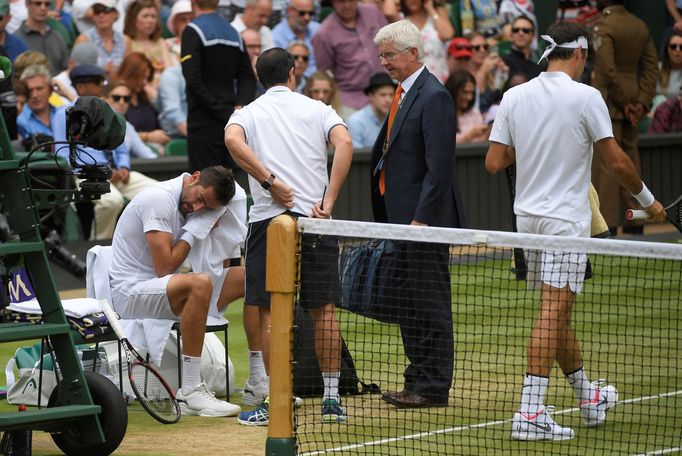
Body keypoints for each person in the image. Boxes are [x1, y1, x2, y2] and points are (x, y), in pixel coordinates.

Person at [485, 21, 665, 441]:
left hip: (527, 220)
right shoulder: (587, 98)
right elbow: (617, 162)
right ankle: (530, 413)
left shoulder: (514, 96)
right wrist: (649, 202)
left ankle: (588, 397)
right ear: (581, 54)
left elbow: (494, 162)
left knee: (558, 312)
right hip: (564, 221)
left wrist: (533, 145)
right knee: (553, 310)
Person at [225, 47, 353, 425]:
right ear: (294, 72)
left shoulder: (245, 114)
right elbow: (344, 143)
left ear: (258, 76)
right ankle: (331, 400)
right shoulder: (319, 109)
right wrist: (328, 200)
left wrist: (269, 182)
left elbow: (233, 142)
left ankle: (276, 400)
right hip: (314, 218)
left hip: (269, 222)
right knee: (323, 310)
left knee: (269, 312)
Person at [371, 20, 463, 409]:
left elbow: (439, 167)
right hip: (401, 222)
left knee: (429, 304)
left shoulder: (434, 96)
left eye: (389, 55)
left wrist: (422, 221)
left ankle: (433, 386)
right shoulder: (404, 92)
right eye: (381, 56)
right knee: (408, 303)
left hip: (423, 225)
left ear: (413, 53)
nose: (384, 62)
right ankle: (416, 380)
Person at [109, 165, 245, 417]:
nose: (198, 209)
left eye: (206, 208)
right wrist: (194, 231)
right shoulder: (158, 199)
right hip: (128, 294)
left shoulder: (187, 201)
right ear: (193, 178)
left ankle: (254, 381)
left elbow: (238, 196)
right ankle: (191, 390)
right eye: (200, 199)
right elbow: (165, 267)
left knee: (227, 281)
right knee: (200, 283)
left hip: (154, 288)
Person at [53, 63, 158, 240]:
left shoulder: (106, 110)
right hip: (86, 175)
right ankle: (98, 247)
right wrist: (99, 172)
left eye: (102, 80)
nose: (102, 85)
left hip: (116, 172)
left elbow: (121, 148)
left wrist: (124, 167)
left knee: (158, 192)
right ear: (80, 87)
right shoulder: (65, 113)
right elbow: (63, 155)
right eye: (96, 81)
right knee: (112, 202)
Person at [591, 0, 659, 235]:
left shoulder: (603, 25)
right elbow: (652, 68)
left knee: (606, 163)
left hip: (610, 102)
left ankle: (606, 225)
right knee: (630, 160)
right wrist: (641, 102)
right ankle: (636, 221)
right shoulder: (639, 25)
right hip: (632, 102)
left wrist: (626, 103)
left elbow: (607, 70)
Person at [182, 0, 256, 173]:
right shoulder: (234, 33)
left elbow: (193, 79)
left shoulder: (193, 30)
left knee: (205, 188)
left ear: (193, 3)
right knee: (231, 189)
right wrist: (238, 109)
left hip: (204, 124)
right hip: (231, 124)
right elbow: (248, 78)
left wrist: (222, 111)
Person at [312, 0, 387, 119]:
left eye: (350, 0)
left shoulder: (373, 13)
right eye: (341, 1)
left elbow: (390, 41)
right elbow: (325, 74)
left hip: (385, 88)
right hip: (351, 98)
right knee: (352, 126)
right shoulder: (323, 34)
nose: (346, 5)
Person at [117, 52, 170, 151]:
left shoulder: (145, 97)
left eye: (147, 78)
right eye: (142, 77)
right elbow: (117, 135)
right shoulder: (117, 99)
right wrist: (147, 136)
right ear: (131, 74)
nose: (145, 82)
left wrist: (154, 98)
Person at [400, 0, 452, 83]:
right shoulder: (400, 19)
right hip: (412, 82)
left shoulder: (437, 13)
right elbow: (389, 11)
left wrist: (431, 9)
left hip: (439, 80)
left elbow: (447, 35)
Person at [105, 80, 158, 158]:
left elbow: (146, 154)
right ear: (104, 98)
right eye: (116, 98)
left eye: (126, 98)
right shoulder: (95, 123)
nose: (122, 102)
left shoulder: (128, 127)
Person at [73, 0, 126, 78]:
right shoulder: (83, 40)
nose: (101, 15)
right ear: (93, 16)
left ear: (115, 14)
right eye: (97, 11)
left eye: (106, 10)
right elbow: (75, 70)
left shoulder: (125, 40)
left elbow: (129, 71)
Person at [14, 0, 68, 75]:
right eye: (38, 3)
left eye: (47, 4)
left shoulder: (57, 36)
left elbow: (65, 68)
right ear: (27, 4)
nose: (43, 8)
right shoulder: (16, 39)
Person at [124, 0, 174, 75]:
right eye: (145, 16)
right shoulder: (127, 41)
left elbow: (170, 70)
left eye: (153, 16)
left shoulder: (160, 41)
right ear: (133, 19)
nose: (150, 21)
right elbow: (129, 73)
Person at [346, 71, 395, 148]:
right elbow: (357, 157)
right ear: (371, 96)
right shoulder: (355, 122)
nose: (388, 100)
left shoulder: (396, 118)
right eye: (383, 95)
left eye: (391, 95)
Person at [271, 0, 319, 77]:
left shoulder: (318, 30)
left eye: (310, 13)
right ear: (289, 11)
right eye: (302, 13)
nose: (307, 17)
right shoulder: (275, 38)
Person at [445, 69, 489, 143]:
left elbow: (482, 141)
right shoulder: (442, 115)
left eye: (472, 93)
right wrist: (470, 136)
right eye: (465, 92)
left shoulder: (474, 113)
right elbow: (444, 143)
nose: (469, 97)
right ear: (454, 91)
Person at [16, 63, 57, 139]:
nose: (34, 95)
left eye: (39, 89)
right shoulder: (19, 121)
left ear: (50, 90)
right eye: (30, 90)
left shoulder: (63, 114)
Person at [502, 15, 540, 81]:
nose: (520, 33)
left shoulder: (539, 67)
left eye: (526, 30)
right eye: (516, 30)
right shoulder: (503, 63)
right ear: (511, 34)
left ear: (533, 35)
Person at [655, 31, 682, 105]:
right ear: (667, 49)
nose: (678, 50)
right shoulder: (657, 69)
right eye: (673, 46)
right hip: (659, 111)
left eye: (681, 47)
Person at [165, 0, 193, 64]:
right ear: (175, 23)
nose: (188, 23)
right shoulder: (165, 45)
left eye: (192, 19)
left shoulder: (203, 44)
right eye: (183, 20)